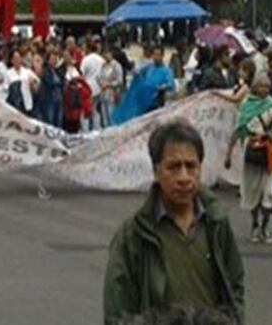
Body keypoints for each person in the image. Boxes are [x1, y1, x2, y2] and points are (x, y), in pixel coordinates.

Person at [103, 122, 244, 323]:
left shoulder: (216, 224)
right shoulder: (132, 236)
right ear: (156, 171)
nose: (184, 178)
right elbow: (116, 315)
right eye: (173, 167)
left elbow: (235, 287)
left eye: (191, 166)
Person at [225, 75, 272, 244]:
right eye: (262, 86)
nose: (265, 89)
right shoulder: (246, 106)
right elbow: (238, 130)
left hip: (268, 153)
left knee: (268, 193)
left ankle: (265, 226)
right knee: (252, 192)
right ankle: (255, 224)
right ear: (255, 87)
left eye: (267, 86)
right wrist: (228, 154)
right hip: (251, 151)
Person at [111, 45, 176, 126]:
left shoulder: (167, 71)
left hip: (156, 104)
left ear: (162, 56)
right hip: (143, 104)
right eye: (154, 54)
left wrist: (160, 87)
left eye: (158, 55)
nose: (156, 57)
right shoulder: (148, 68)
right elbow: (138, 75)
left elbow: (170, 84)